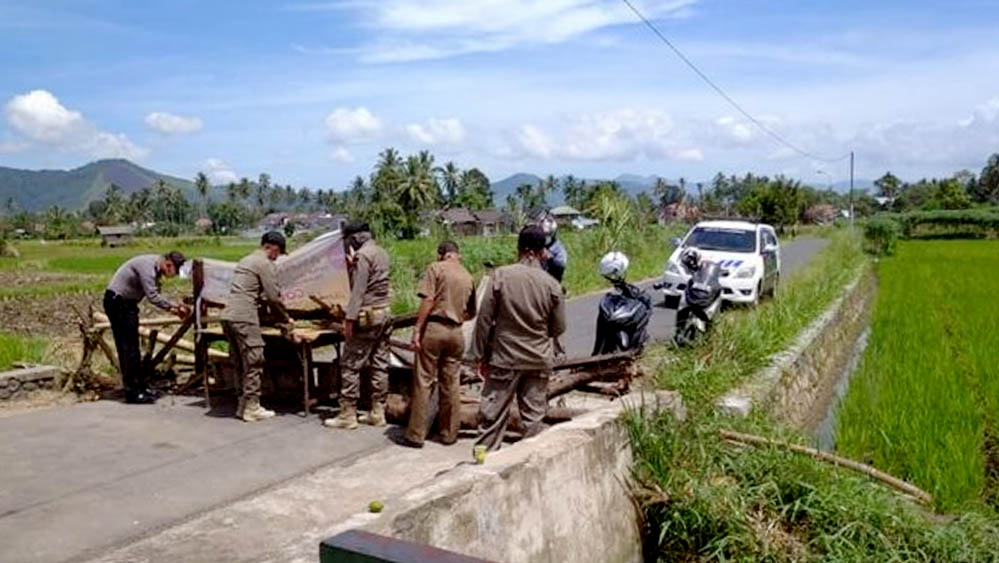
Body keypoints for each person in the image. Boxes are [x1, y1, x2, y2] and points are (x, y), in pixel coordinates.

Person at [469, 225, 566, 451]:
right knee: (534, 421)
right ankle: (534, 468)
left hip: (505, 359)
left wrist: (478, 355)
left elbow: (484, 320)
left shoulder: (501, 276)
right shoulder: (552, 284)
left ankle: (483, 469)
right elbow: (558, 328)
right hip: (538, 360)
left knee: (491, 418)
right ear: (540, 252)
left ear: (521, 249)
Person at [402, 241, 476, 448]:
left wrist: (417, 329)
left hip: (434, 329)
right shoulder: (467, 275)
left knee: (423, 380)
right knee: (451, 383)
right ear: (457, 255)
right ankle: (449, 433)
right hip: (456, 332)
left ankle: (416, 434)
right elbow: (472, 312)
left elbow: (428, 300)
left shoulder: (435, 269)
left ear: (441, 254)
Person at [221, 231, 296, 422]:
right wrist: (286, 318)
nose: (277, 257)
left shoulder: (246, 260)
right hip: (244, 316)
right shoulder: (264, 263)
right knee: (255, 360)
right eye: (277, 252)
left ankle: (242, 404)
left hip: (229, 315)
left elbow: (257, 293)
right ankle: (252, 406)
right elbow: (272, 297)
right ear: (271, 248)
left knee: (239, 361)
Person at [325, 220, 392, 430]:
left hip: (368, 315)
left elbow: (358, 291)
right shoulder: (381, 253)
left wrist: (349, 320)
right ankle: (378, 411)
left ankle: (348, 414)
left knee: (350, 365)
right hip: (384, 313)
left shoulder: (363, 256)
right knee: (379, 363)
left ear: (354, 239)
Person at [104, 250, 188, 404]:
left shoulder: (155, 267)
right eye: (174, 272)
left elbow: (156, 292)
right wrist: (175, 308)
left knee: (133, 348)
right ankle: (132, 392)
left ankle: (140, 387)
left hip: (127, 305)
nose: (173, 276)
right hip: (118, 303)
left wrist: (174, 308)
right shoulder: (147, 268)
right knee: (129, 349)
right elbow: (153, 296)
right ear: (168, 265)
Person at [539, 212, 567, 284]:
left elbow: (561, 265)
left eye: (547, 236)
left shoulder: (558, 247)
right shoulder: (536, 245)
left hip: (553, 282)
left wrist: (550, 259)